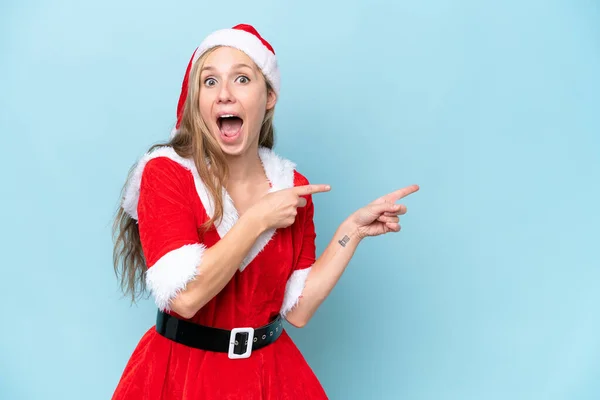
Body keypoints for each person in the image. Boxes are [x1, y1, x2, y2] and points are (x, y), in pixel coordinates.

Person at [111, 23, 419, 399]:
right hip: (182, 374)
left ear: (269, 95)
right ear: (196, 99)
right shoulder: (167, 173)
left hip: (267, 376)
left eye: (241, 79)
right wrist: (258, 218)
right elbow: (187, 299)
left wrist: (351, 231)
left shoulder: (290, 185)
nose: (224, 94)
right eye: (210, 82)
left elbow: (298, 311)